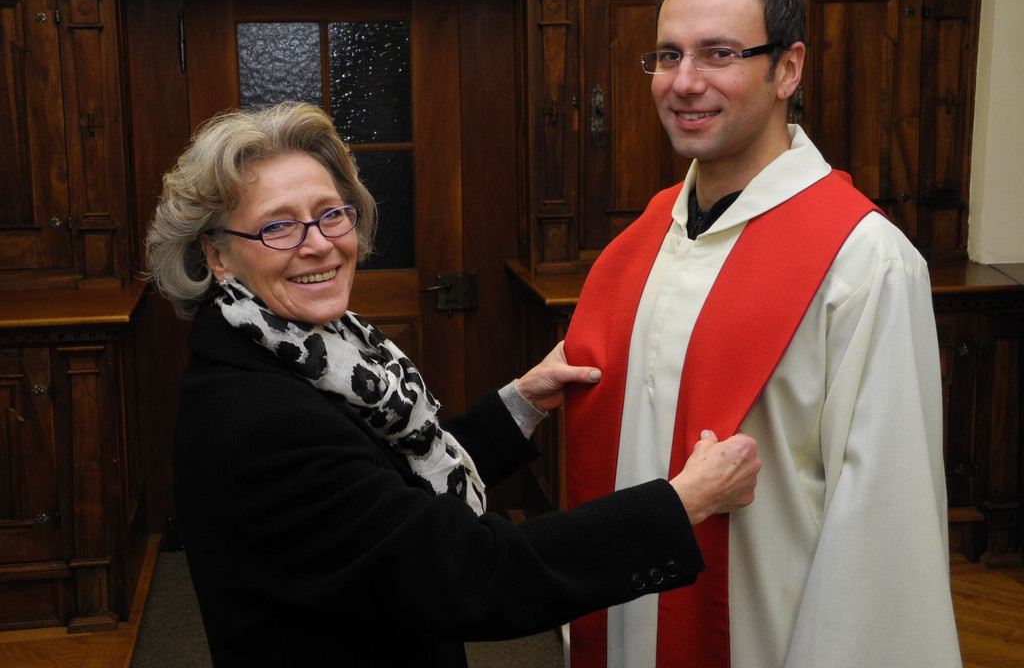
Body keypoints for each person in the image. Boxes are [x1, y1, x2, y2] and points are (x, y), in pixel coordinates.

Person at [144, 101, 761, 668]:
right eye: (278, 227)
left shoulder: (309, 348)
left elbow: (391, 477)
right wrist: (680, 505)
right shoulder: (260, 420)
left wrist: (521, 404)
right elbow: (472, 571)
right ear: (217, 255)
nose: (320, 245)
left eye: (331, 214)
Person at [563, 0, 961, 668]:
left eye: (720, 54)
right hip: (628, 625)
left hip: (764, 637)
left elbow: (882, 520)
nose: (685, 82)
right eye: (668, 55)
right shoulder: (644, 242)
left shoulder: (863, 261)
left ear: (788, 69)